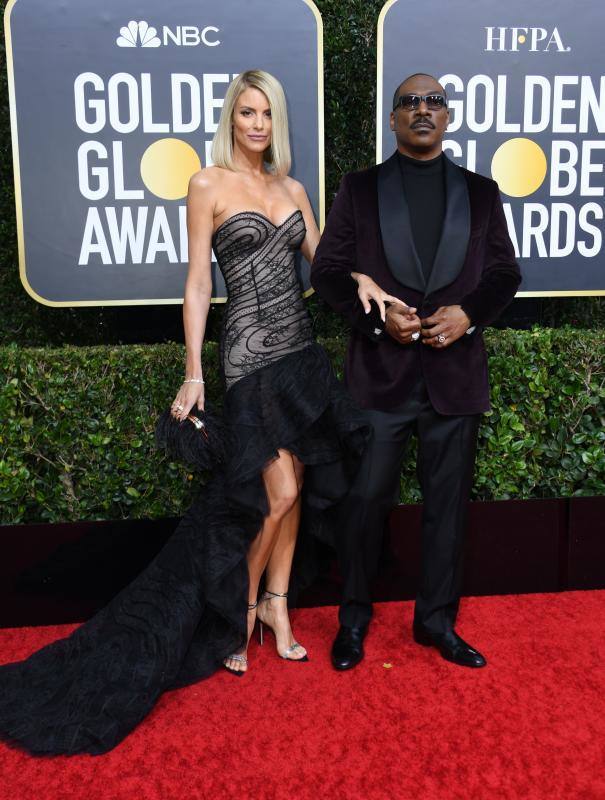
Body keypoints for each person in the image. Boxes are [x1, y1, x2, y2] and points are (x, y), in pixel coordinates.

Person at [0, 70, 393, 756]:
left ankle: (275, 606)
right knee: (281, 488)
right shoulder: (207, 185)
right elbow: (196, 280)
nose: (256, 125)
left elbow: (324, 263)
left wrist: (357, 275)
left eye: (266, 113)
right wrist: (192, 369)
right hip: (245, 355)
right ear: (230, 119)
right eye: (246, 113)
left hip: (298, 354)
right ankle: (238, 614)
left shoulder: (292, 190)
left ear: (276, 122)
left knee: (295, 483)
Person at [311, 72, 522, 672]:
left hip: (454, 380)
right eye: (410, 103)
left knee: (447, 509)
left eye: (433, 102)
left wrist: (469, 315)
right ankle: (353, 620)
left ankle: (436, 623)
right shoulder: (360, 189)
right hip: (379, 379)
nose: (422, 110)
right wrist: (378, 323)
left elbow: (505, 274)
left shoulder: (482, 193)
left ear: (448, 116)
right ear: (394, 118)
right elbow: (328, 271)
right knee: (364, 504)